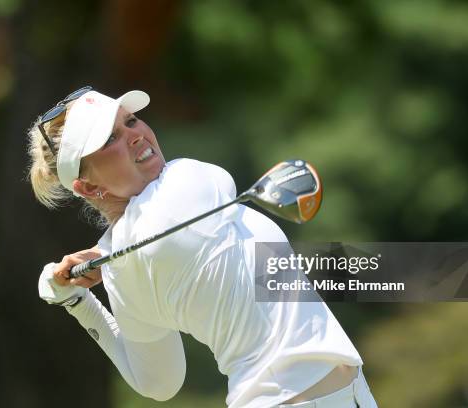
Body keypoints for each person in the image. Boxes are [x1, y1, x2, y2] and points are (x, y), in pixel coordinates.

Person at [27, 86, 379, 408]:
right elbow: (162, 220)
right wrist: (102, 260)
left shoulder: (121, 274)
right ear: (88, 188)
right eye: (110, 138)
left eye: (131, 120)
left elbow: (159, 383)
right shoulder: (185, 180)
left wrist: (77, 300)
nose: (135, 135)